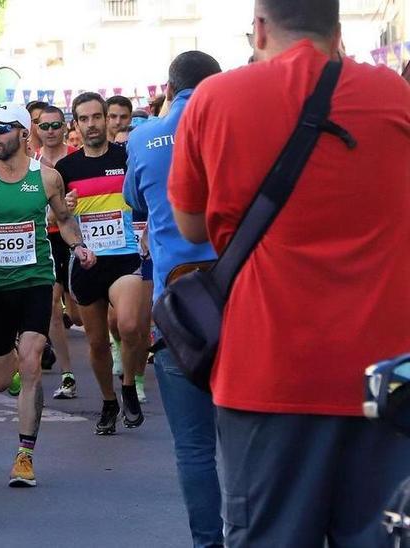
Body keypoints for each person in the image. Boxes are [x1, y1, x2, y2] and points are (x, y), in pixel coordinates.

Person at [169, 1, 410, 543]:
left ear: (258, 28)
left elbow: (189, 226)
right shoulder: (395, 96)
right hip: (385, 374)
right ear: (338, 32)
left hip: (267, 373)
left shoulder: (216, 97)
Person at [0, 101, 95, 487]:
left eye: (2, 128)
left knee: (29, 363)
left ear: (22, 133)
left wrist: (78, 245)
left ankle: (24, 456)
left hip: (34, 282)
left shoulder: (46, 178)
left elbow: (63, 219)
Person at [123, 49, 224, 548]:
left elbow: (135, 201)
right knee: (250, 444)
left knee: (194, 449)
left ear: (168, 89)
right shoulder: (237, 131)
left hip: (177, 310)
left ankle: (209, 544)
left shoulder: (143, 138)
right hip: (240, 304)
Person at [56, 92, 149, 436]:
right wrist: (69, 224)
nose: (92, 124)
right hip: (87, 260)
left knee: (128, 325)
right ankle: (109, 400)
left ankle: (127, 384)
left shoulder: (127, 157)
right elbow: (57, 219)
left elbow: (150, 197)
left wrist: (148, 230)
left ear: (108, 118)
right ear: (76, 125)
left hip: (124, 256)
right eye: (85, 119)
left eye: (98, 117)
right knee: (96, 343)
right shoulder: (66, 168)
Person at [34, 105, 80, 397]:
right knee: (52, 303)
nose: (50, 131)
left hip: (76, 237)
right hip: (46, 239)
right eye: (44, 126)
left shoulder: (77, 158)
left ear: (65, 127)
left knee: (77, 314)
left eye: (55, 125)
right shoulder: (32, 163)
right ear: (36, 130)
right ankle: (67, 374)